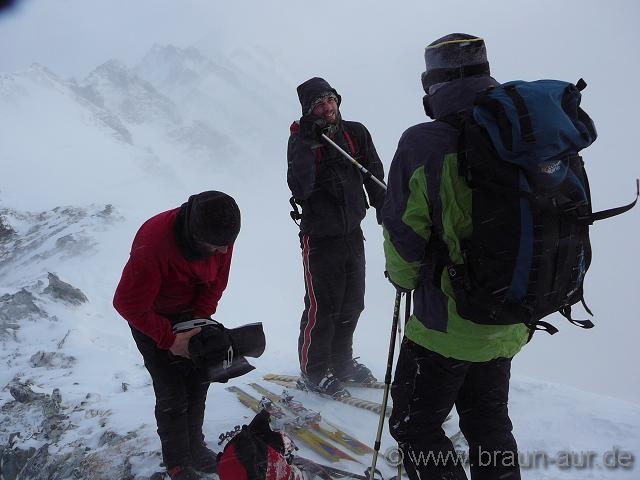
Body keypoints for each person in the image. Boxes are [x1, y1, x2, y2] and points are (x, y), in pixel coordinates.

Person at [382, 34, 529, 480]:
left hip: (444, 324)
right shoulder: (520, 133)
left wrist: (403, 279)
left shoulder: (424, 143)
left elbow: (403, 233)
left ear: (434, 83)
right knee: (488, 420)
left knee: (415, 425)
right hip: (511, 312)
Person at [113, 191, 241, 480]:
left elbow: (215, 285)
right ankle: (177, 463)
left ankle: (195, 447)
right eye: (217, 247)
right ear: (196, 237)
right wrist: (170, 340)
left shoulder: (221, 235)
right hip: (151, 316)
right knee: (172, 390)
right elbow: (127, 303)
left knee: (198, 380)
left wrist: (198, 323)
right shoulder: (154, 244)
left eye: (227, 245)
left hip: (188, 314)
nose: (223, 252)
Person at [287, 77, 386, 398]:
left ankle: (341, 362)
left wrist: (387, 213)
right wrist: (306, 143)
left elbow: (373, 175)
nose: (328, 108)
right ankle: (314, 370)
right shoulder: (302, 141)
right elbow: (300, 188)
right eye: (319, 104)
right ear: (309, 110)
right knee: (322, 307)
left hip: (352, 233)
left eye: (331, 100)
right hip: (319, 238)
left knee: (352, 303)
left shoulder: (355, 133)